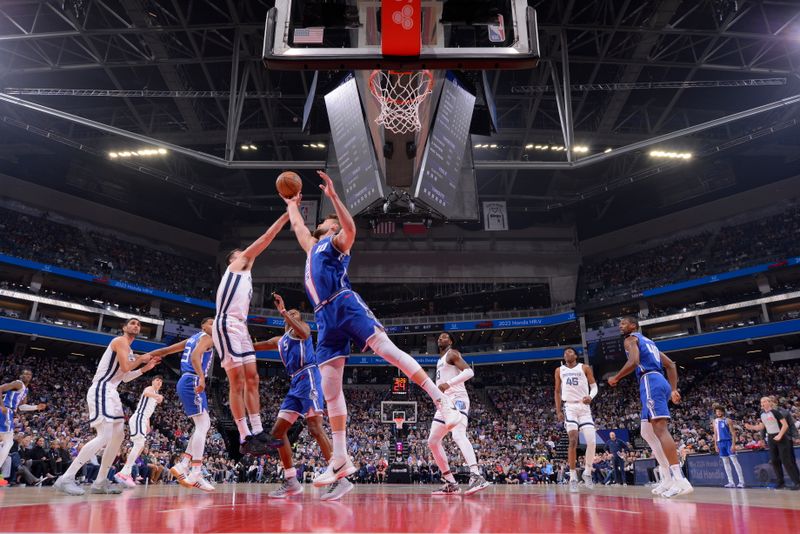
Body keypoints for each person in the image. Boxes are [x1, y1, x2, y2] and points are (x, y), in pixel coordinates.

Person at [282, 171, 460, 487]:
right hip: (324, 318)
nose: (320, 223)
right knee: (330, 388)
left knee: (386, 350)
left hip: (343, 301)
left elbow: (351, 229)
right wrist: (291, 203)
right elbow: (297, 226)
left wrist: (335, 198)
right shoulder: (312, 247)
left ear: (331, 226)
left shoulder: (335, 243)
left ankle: (438, 399)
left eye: (325, 221)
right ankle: (340, 458)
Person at [253, 292, 351, 500]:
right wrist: (233, 346)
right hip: (295, 383)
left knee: (315, 429)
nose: (293, 314)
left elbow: (305, 332)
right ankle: (291, 481)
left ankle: (341, 478)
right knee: (277, 433)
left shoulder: (302, 332)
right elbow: (254, 347)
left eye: (296, 314)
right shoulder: (280, 340)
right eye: (291, 314)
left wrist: (284, 312)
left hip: (309, 377)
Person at [54, 318, 159, 496]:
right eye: (132, 323)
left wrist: (144, 368)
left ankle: (100, 482)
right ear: (124, 327)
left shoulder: (129, 349)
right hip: (102, 388)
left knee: (118, 436)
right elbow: (126, 366)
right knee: (104, 436)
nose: (136, 326)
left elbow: (124, 376)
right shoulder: (120, 341)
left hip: (112, 391)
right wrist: (141, 359)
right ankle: (66, 478)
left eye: (138, 325)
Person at [214, 212, 290, 454]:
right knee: (236, 382)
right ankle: (245, 436)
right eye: (240, 252)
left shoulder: (246, 277)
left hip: (242, 328)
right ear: (232, 261)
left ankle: (257, 431)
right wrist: (288, 214)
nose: (245, 254)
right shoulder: (236, 267)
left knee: (253, 380)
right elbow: (266, 238)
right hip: (227, 325)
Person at [608, 316, 693, 498]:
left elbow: (634, 362)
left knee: (660, 430)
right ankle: (667, 478)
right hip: (658, 381)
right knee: (646, 432)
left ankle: (680, 479)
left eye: (623, 323)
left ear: (633, 326)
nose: (620, 326)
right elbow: (670, 365)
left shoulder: (631, 339)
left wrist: (616, 377)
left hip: (650, 381)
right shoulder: (650, 343)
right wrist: (673, 389)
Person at [428, 332, 490, 496]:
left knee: (458, 435)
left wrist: (448, 384)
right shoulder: (439, 360)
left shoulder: (452, 353)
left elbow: (469, 372)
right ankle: (451, 483)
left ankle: (476, 476)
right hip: (444, 403)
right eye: (440, 337)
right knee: (433, 441)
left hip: (458, 400)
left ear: (451, 341)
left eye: (445, 337)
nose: (441, 338)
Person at [169, 317, 216, 492]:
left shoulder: (192, 338)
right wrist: (202, 377)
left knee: (203, 425)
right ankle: (195, 471)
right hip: (193, 379)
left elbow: (169, 349)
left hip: (186, 379)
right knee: (203, 425)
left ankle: (184, 464)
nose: (214, 326)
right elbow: (196, 356)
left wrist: (152, 355)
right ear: (203, 326)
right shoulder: (207, 337)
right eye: (211, 323)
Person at [554, 347, 597, 492]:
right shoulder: (559, 370)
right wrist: (559, 410)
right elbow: (557, 391)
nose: (567, 353)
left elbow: (594, 387)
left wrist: (590, 396)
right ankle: (572, 477)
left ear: (576, 355)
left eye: (570, 352)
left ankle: (587, 472)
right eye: (565, 352)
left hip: (584, 407)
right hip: (570, 407)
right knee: (573, 440)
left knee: (591, 441)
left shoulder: (584, 368)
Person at [114, 375, 164, 488]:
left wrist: (148, 424)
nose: (159, 382)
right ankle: (123, 473)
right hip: (138, 418)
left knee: (140, 447)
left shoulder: (155, 396)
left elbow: (148, 412)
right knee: (140, 444)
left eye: (161, 381)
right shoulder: (150, 389)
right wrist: (157, 395)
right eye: (157, 380)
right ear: (152, 381)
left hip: (143, 419)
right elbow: (146, 393)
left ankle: (125, 472)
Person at [0, 369, 46, 485]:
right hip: (6, 411)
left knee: (6, 442)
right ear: (21, 375)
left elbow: (21, 407)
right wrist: (2, 406)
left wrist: (36, 407)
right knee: (8, 442)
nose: (27, 375)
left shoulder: (25, 390)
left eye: (29, 374)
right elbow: (0, 388)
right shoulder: (18, 383)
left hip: (9, 412)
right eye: (25, 373)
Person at [745, 396, 800, 490]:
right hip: (771, 438)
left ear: (770, 402)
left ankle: (797, 482)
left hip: (782, 438)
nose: (762, 404)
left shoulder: (776, 412)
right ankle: (780, 482)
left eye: (765, 402)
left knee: (786, 461)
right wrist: (752, 427)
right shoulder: (762, 413)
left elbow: (785, 425)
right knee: (774, 460)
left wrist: (780, 435)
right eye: (761, 402)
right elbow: (762, 426)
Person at [713, 405, 745, 488]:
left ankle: (741, 481)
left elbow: (733, 433)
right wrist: (715, 445)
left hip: (728, 442)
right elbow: (715, 434)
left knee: (735, 461)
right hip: (720, 443)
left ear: (723, 412)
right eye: (717, 411)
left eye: (720, 411)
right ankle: (731, 482)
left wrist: (733, 444)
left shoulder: (728, 420)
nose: (718, 413)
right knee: (725, 463)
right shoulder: (715, 421)